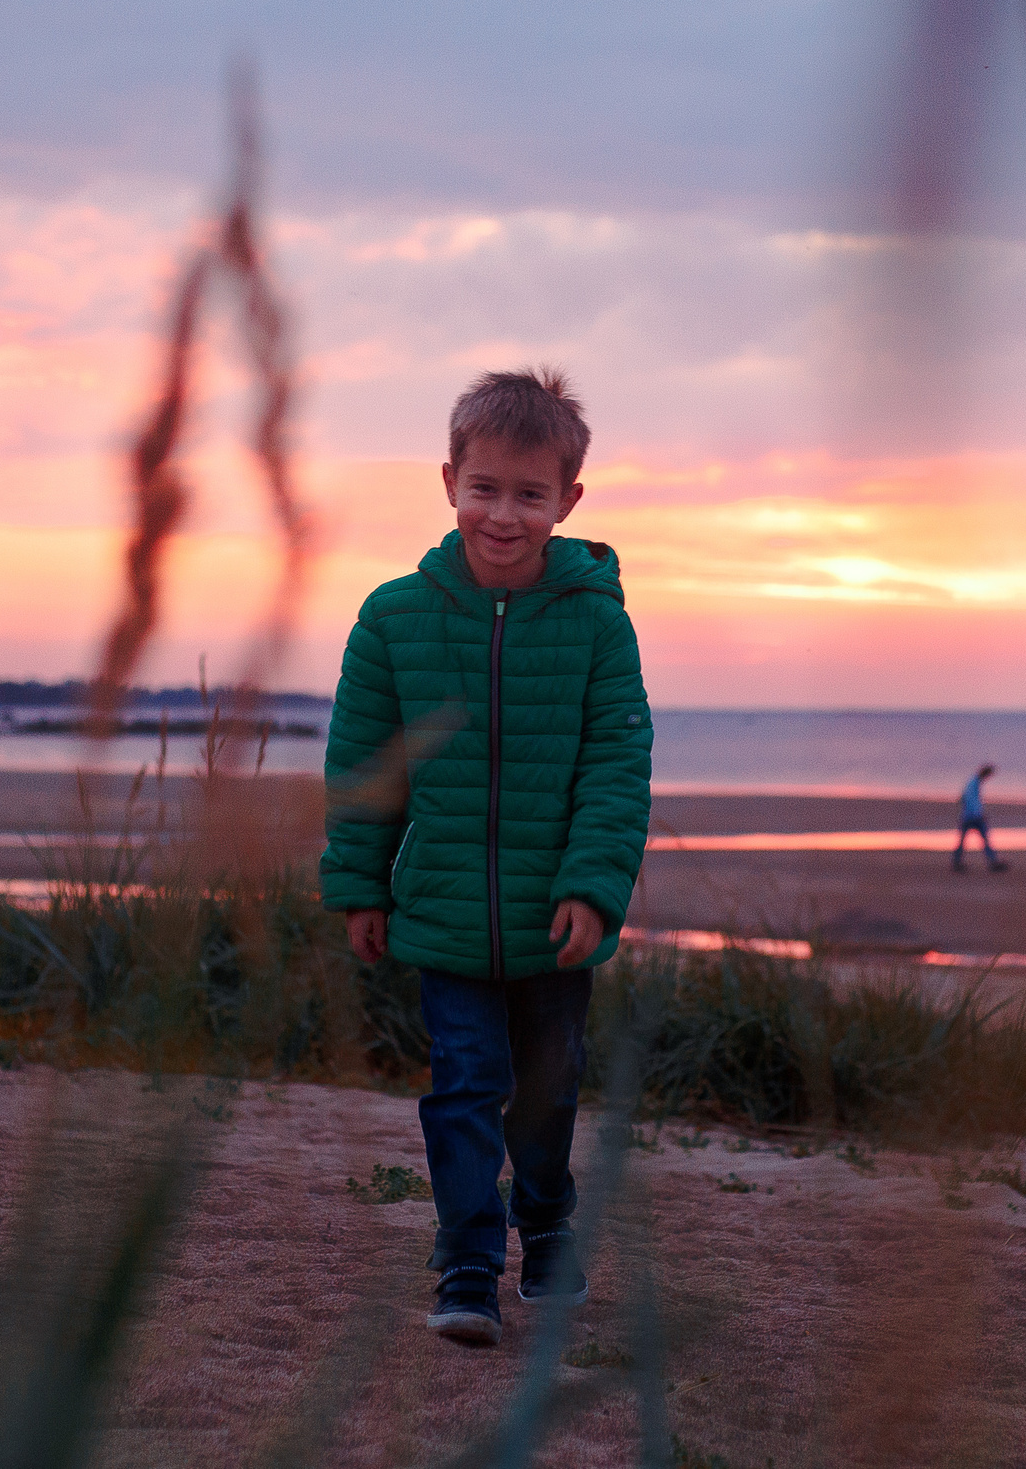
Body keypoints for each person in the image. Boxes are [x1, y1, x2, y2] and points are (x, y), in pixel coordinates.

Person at [321, 367, 653, 1348]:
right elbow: (365, 767)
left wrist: (594, 888)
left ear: (568, 501)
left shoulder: (597, 622)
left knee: (547, 1090)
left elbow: (616, 764)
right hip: (444, 911)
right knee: (463, 1083)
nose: (503, 515)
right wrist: (359, 885)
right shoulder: (393, 617)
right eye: (485, 489)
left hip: (554, 922)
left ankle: (545, 1221)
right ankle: (467, 1257)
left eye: (529, 494)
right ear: (449, 481)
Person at [953, 762, 1008, 873]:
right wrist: (978, 814)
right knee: (982, 839)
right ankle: (993, 862)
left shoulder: (973, 782)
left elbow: (963, 798)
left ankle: (957, 862)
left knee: (966, 839)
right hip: (973, 817)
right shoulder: (974, 783)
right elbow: (970, 800)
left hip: (969, 816)